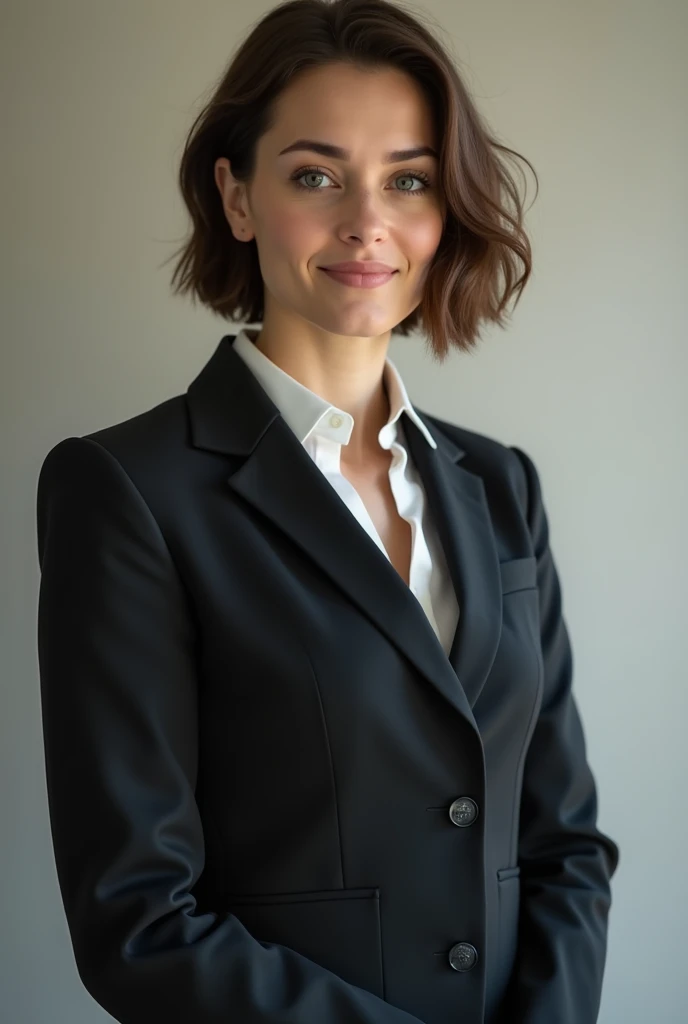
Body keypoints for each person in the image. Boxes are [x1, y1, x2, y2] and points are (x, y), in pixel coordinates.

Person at [35, 1, 619, 1023]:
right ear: (237, 196)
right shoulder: (128, 491)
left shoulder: (501, 484)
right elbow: (135, 918)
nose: (367, 222)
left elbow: (562, 841)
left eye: (409, 179)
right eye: (316, 175)